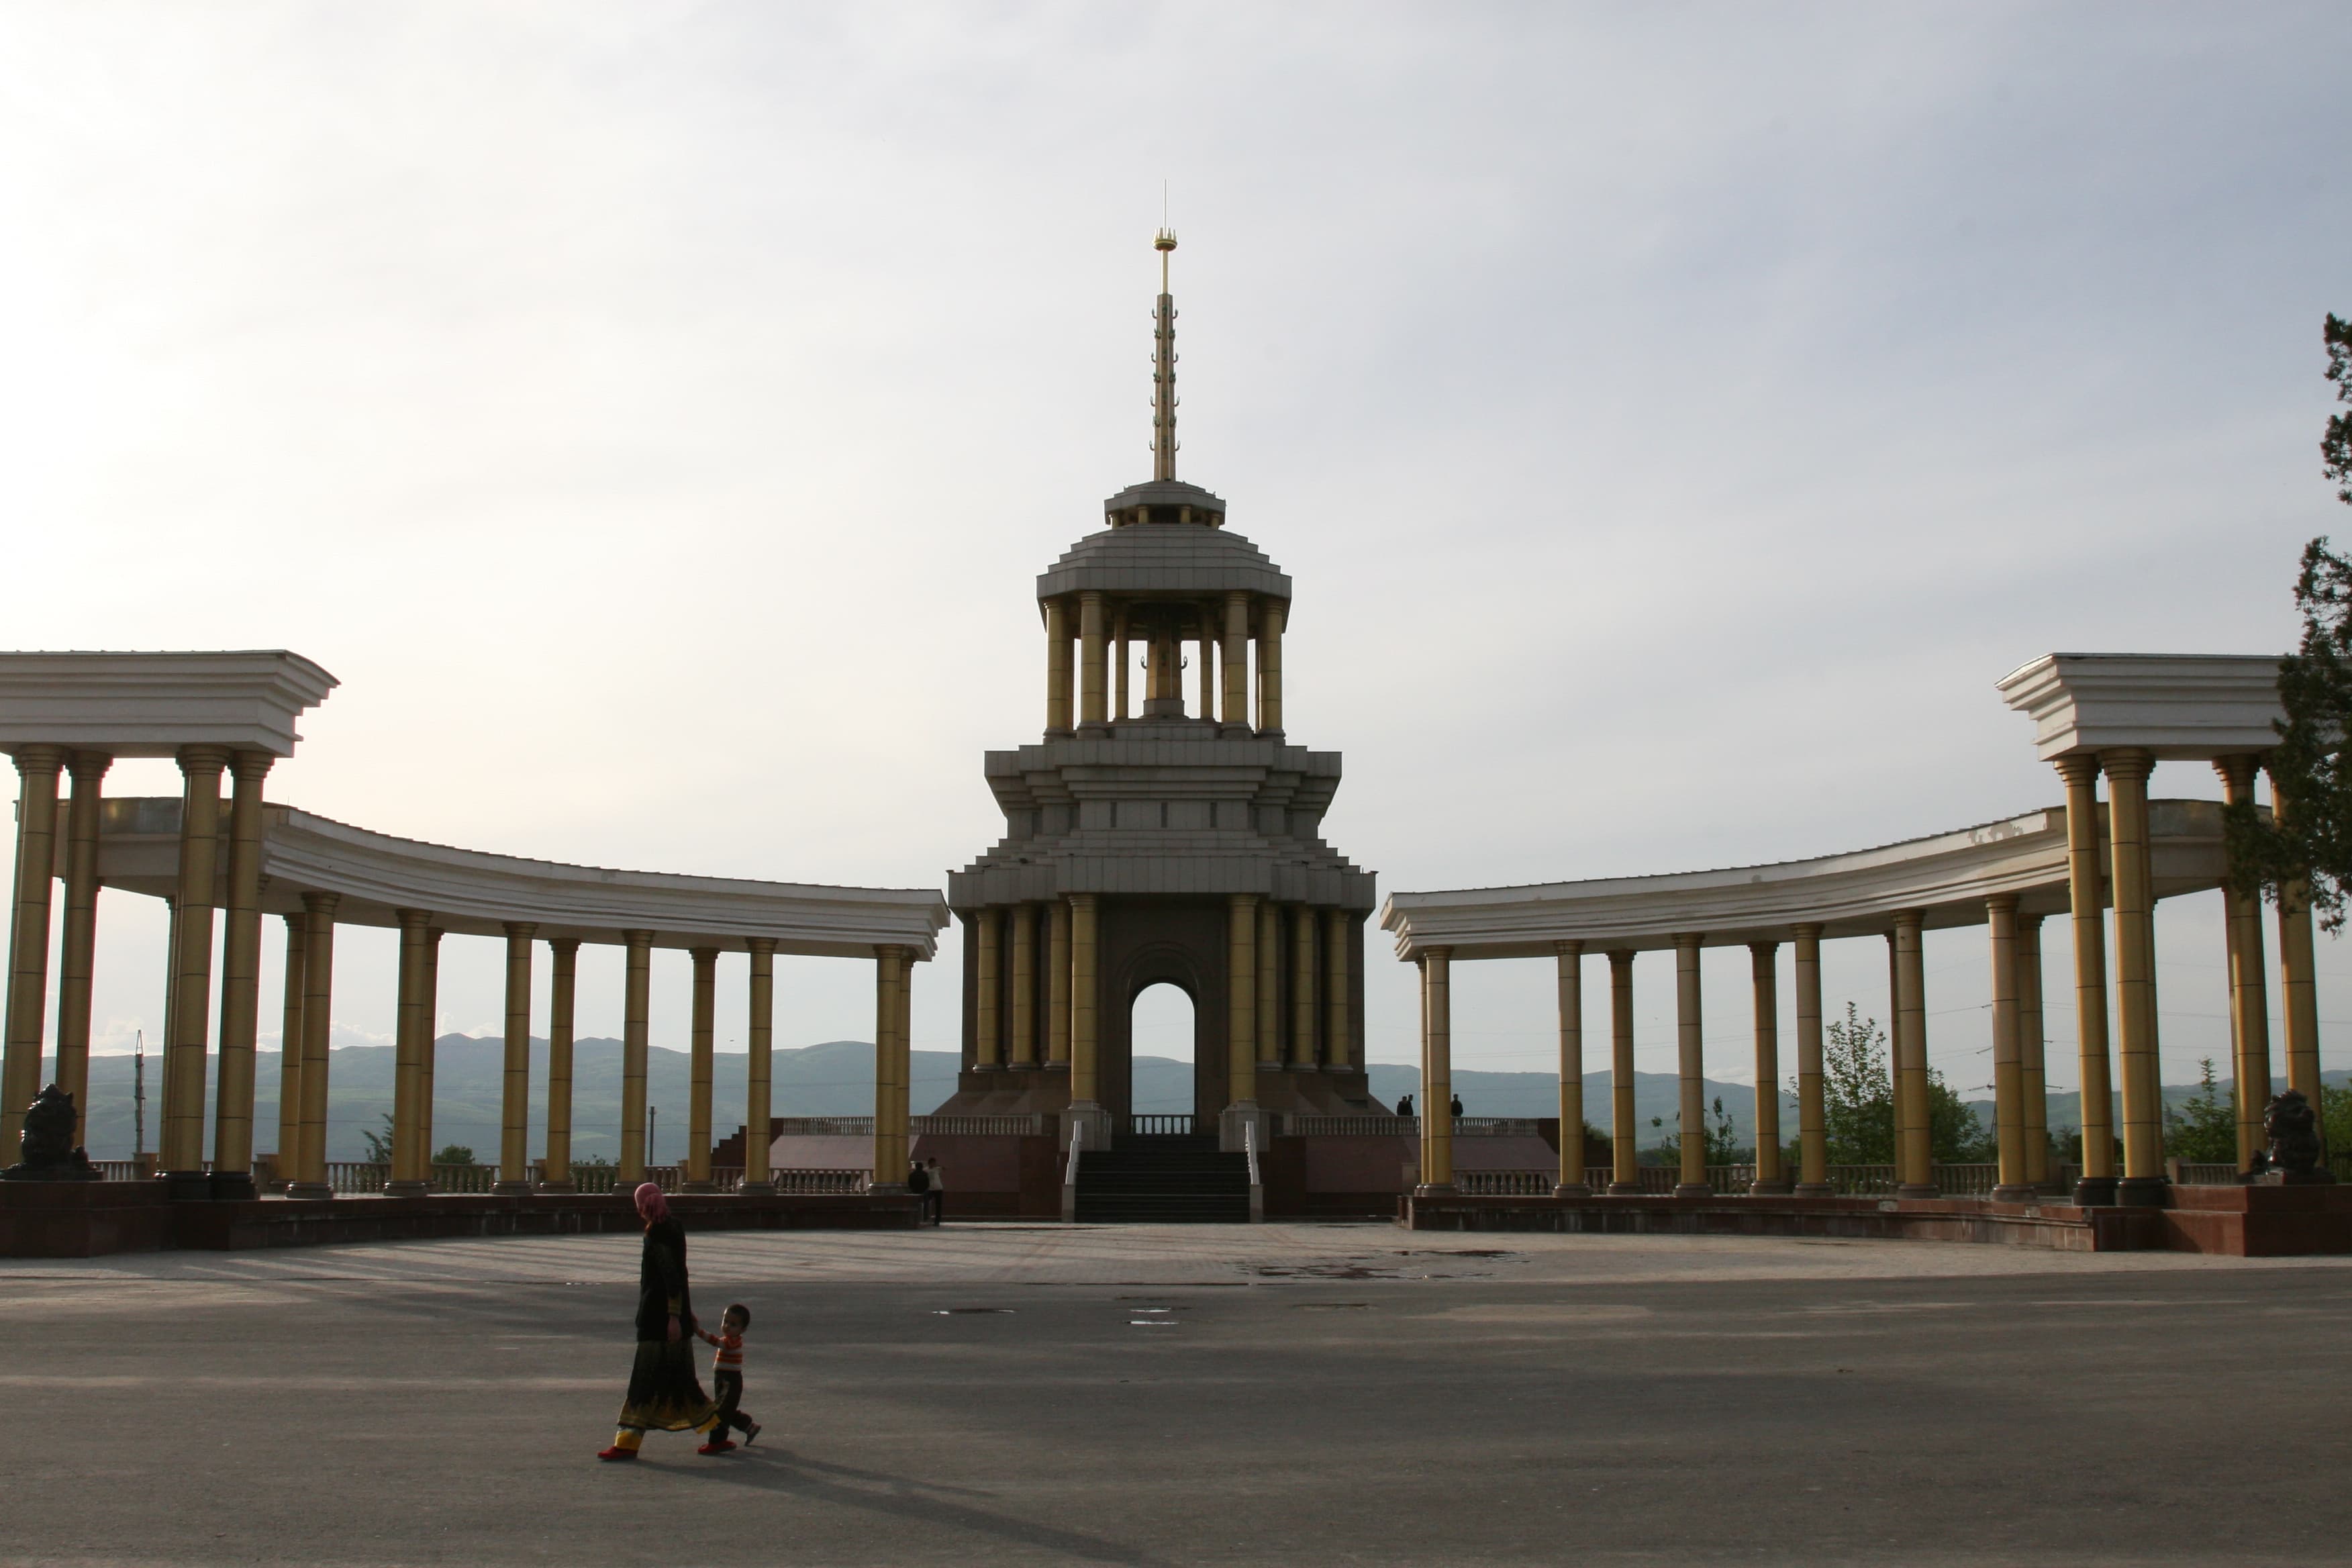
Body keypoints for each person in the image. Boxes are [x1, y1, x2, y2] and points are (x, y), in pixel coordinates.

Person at [597, 1182, 721, 1461]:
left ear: (642, 1205)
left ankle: (627, 1442)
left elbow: (670, 1277)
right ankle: (720, 1432)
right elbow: (681, 1273)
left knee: (643, 1382)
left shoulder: (658, 1232)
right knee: (684, 1384)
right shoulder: (674, 1227)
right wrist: (685, 1312)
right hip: (675, 1318)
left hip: (658, 1321)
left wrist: (674, 1317)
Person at [695, 1304, 761, 1452]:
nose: (727, 1326)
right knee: (726, 1408)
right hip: (723, 1378)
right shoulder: (730, 1339)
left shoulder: (733, 1341)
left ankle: (718, 1441)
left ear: (743, 1329)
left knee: (721, 1411)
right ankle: (749, 1427)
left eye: (733, 1324)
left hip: (730, 1380)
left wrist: (698, 1331)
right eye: (725, 1321)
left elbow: (716, 1342)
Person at [922, 1157, 946, 1226]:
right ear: (929, 1163)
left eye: (934, 1163)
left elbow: (944, 1168)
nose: (933, 1164)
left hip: (938, 1189)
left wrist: (939, 1166)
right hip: (930, 1189)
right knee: (926, 1202)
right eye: (932, 1163)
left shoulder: (937, 1169)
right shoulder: (925, 1170)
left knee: (938, 1206)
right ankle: (926, 1218)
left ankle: (937, 1221)